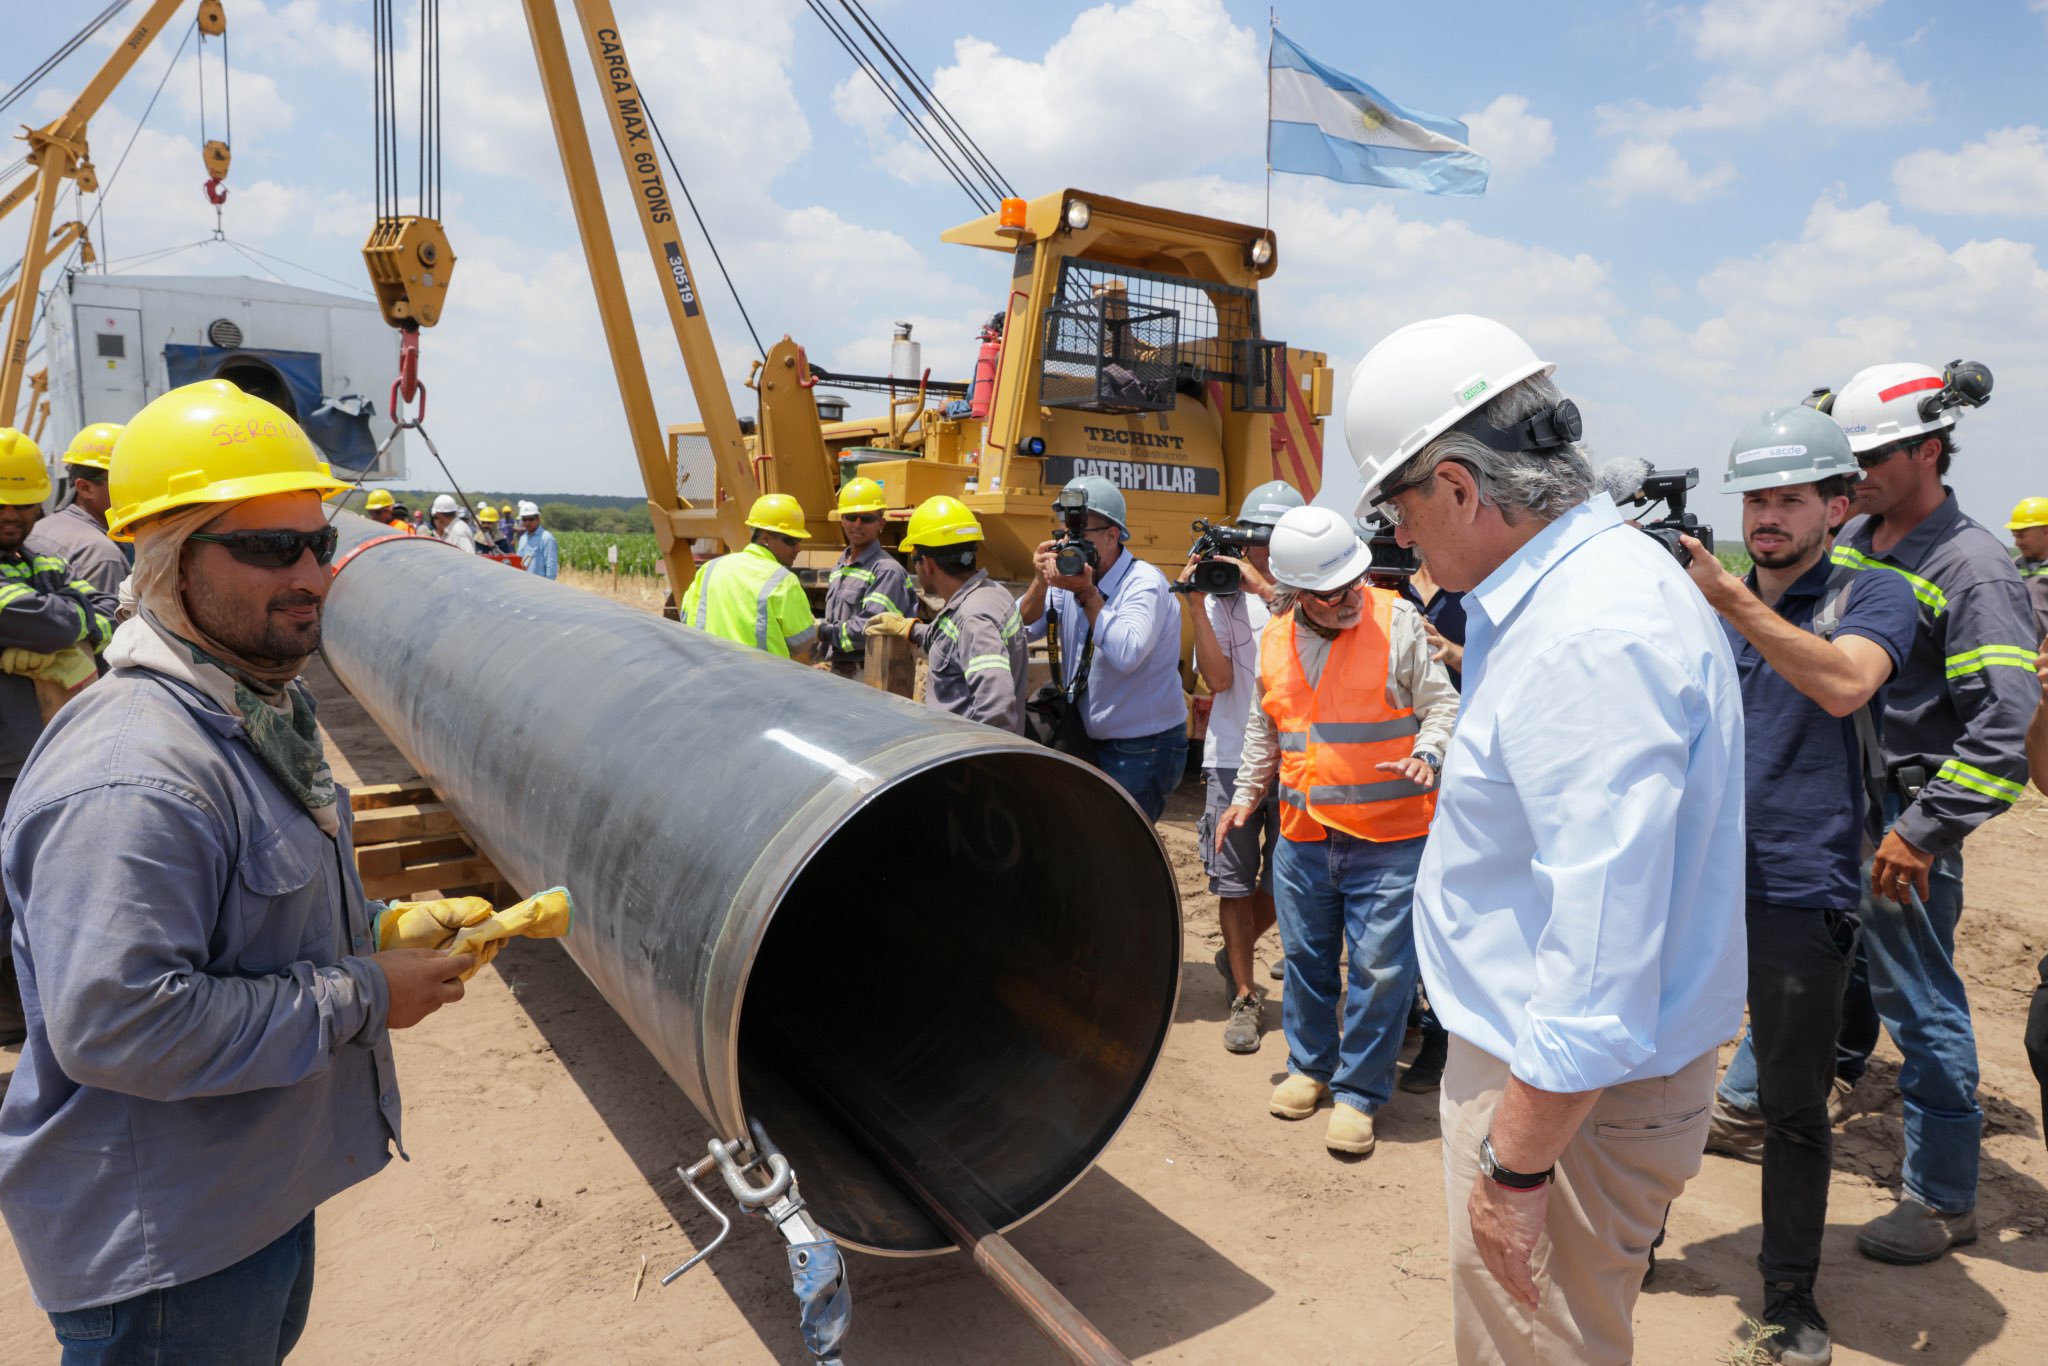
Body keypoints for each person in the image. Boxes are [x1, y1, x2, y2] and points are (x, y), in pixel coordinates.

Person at [0, 380, 482, 1360]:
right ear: (172, 557)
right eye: (266, 547)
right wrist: (361, 992)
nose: (309, 572)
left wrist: (363, 928)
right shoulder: (136, 771)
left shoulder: (247, 712)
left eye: (318, 543)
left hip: (240, 1205)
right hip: (168, 1252)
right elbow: (122, 1023)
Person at [1351, 315, 1745, 1364]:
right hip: (1572, 1082)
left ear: (1457, 487)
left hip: (1569, 1099)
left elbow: (1600, 945)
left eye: (1397, 512)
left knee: (1537, 1345)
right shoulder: (1571, 593)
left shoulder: (1586, 633)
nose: (1401, 542)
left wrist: (1517, 1170)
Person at [1677, 408, 1919, 1364]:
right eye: (1756, 499)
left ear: (1837, 503)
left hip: (1798, 881)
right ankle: (1636, 1237)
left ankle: (1788, 1298)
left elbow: (1844, 686)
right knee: (1659, 1070)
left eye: (1789, 498)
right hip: (1696, 877)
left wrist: (1728, 600)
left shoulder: (1875, 596)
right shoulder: (1709, 600)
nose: (1768, 516)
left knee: (1789, 1103)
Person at [1803, 361, 2038, 1265]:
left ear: (1930, 450)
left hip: (1903, 813)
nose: (1851, 469)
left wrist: (1920, 831)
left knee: (1918, 994)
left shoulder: (1974, 569)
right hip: (1836, 794)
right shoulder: (1858, 530)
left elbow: (2006, 730)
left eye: (1869, 454)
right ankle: (1750, 1106)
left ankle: (1942, 1198)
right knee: (1817, 957)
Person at [1212, 505, 1458, 1153]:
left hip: (1391, 837)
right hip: (1304, 835)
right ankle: (1310, 1068)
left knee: (1381, 971)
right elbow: (1267, 724)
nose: (1349, 599)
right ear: (1295, 596)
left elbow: (1442, 707)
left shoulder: (1397, 620)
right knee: (1307, 962)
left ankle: (1358, 1093)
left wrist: (1430, 753)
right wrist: (1245, 796)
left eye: (1352, 583)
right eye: (1330, 594)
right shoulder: (1275, 638)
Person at [0, 426, 120, 1051]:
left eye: (22, 502)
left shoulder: (37, 556)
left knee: (36, 884)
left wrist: (71, 622)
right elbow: (42, 621)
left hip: (39, 752)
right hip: (6, 759)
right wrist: (71, 624)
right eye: (1, 504)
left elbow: (92, 606)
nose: (13, 515)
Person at [1184, 479, 1299, 1055]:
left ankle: (1237, 949)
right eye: (1255, 541)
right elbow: (1220, 680)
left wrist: (1267, 588)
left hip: (1300, 759)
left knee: (1288, 879)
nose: (1262, 552)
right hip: (1233, 757)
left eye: (1273, 541)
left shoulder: (1317, 594)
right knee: (1232, 882)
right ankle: (1246, 993)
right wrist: (1193, 600)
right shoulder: (1220, 596)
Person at [1019, 476, 1185, 821]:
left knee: (1124, 848)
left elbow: (1127, 655)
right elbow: (1019, 628)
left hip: (1140, 746)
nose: (1071, 543)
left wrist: (1087, 594)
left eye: (1082, 535)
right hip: (1084, 735)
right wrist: (1039, 581)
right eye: (1066, 533)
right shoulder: (1069, 575)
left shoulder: (1144, 584)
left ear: (1113, 535)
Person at [866, 496, 1026, 731]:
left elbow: (997, 710)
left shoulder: (973, 619)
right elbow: (957, 645)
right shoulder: (992, 593)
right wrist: (913, 629)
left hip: (965, 760)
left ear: (927, 564)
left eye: (914, 558)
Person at [679, 493, 817, 660]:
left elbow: (686, 618)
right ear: (765, 538)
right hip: (759, 680)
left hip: (711, 675)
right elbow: (802, 642)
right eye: (791, 541)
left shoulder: (710, 568)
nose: (798, 549)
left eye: (799, 541)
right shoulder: (783, 581)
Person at [818, 477, 914, 679]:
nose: (858, 524)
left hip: (869, 673)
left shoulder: (887, 571)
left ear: (881, 523)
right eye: (851, 517)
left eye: (867, 518)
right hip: (841, 670)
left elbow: (871, 627)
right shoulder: (841, 565)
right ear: (842, 519)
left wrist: (823, 632)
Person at [25, 422, 130, 596]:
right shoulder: (102, 556)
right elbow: (110, 622)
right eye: (123, 479)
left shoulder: (38, 528)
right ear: (85, 488)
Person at [2010, 497, 2048, 640]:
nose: (2017, 542)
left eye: (2022, 535)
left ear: (2046, 530)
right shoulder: (2011, 568)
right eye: (2014, 536)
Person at [514, 500, 558, 580]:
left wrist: (549, 586)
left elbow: (551, 566)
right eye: (524, 519)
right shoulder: (523, 538)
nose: (527, 522)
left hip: (540, 586)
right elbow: (519, 561)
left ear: (538, 519)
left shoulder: (546, 538)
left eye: (531, 519)